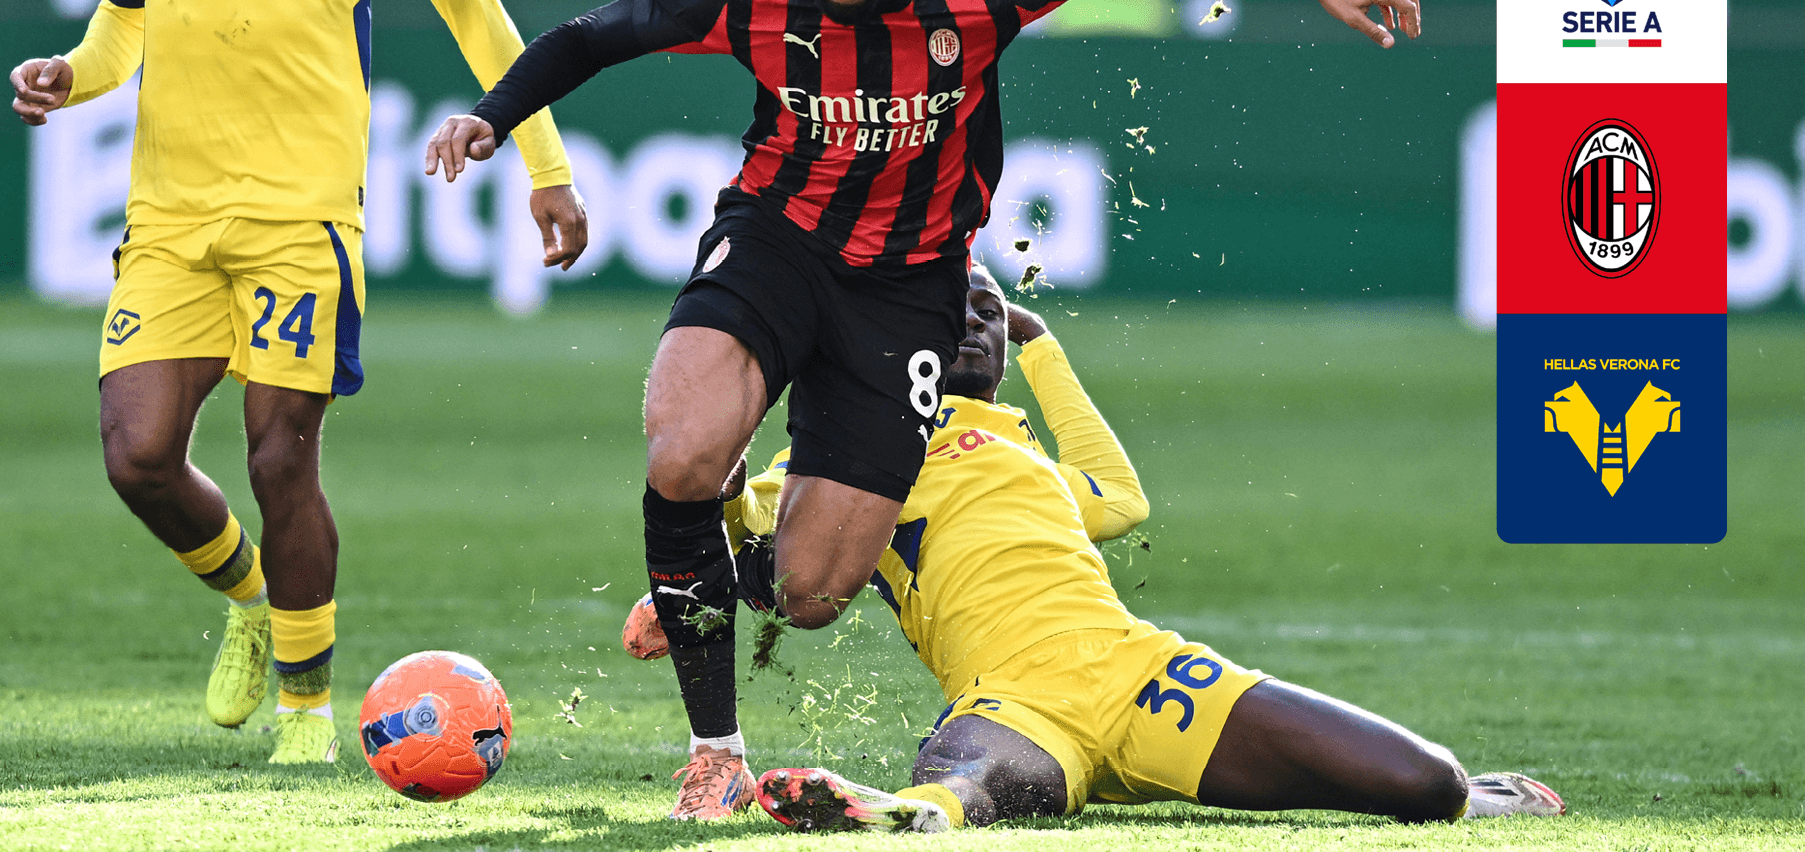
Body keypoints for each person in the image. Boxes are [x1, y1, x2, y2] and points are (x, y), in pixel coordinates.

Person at [424, 0, 1420, 817]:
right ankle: (715, 753)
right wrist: (495, 115)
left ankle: (723, 546)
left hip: (908, 289)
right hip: (776, 239)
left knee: (812, 594)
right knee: (680, 453)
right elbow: (595, 35)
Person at [8, 0, 586, 763]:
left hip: (300, 213)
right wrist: (74, 73)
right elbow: (121, 24)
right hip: (171, 213)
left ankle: (308, 715)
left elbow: (472, 5)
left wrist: (545, 163)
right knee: (137, 456)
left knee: (279, 458)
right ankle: (252, 599)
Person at [624, 266, 1567, 832]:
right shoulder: (850, 456)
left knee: (1426, 783)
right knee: (967, 781)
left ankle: (1471, 803)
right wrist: (675, 601)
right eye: (953, 309)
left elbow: (1120, 496)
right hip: (1013, 701)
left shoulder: (1019, 447)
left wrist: (1043, 347)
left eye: (990, 310)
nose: (976, 319)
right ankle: (912, 817)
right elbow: (738, 519)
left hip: (1146, 675)